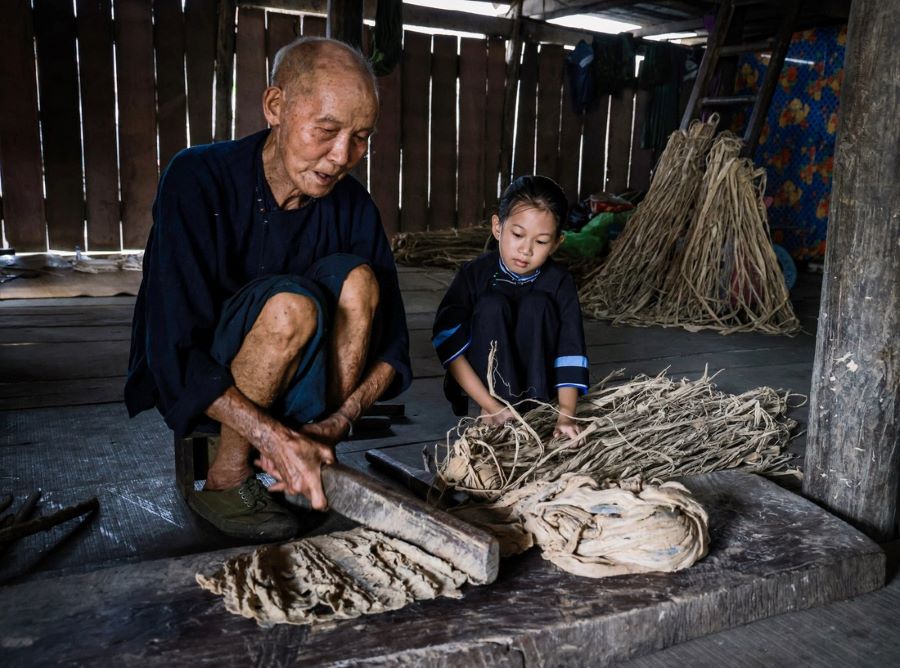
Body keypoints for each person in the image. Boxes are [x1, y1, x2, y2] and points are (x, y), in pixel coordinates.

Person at [125, 37, 411, 540]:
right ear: (275, 106)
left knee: (358, 282)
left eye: (361, 136)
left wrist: (338, 423)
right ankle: (225, 477)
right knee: (288, 309)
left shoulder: (355, 207)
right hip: (207, 382)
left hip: (309, 400)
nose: (342, 155)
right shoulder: (197, 178)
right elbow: (170, 343)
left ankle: (307, 457)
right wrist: (268, 436)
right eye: (326, 130)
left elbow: (392, 350)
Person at [432, 176, 588, 439]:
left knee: (537, 305)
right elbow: (448, 345)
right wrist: (491, 406)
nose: (526, 249)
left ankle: (537, 409)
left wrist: (566, 415)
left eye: (540, 242)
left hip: (540, 390)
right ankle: (491, 411)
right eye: (517, 234)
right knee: (492, 305)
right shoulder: (473, 275)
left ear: (556, 244)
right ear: (497, 227)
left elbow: (570, 347)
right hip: (485, 394)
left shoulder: (560, 283)